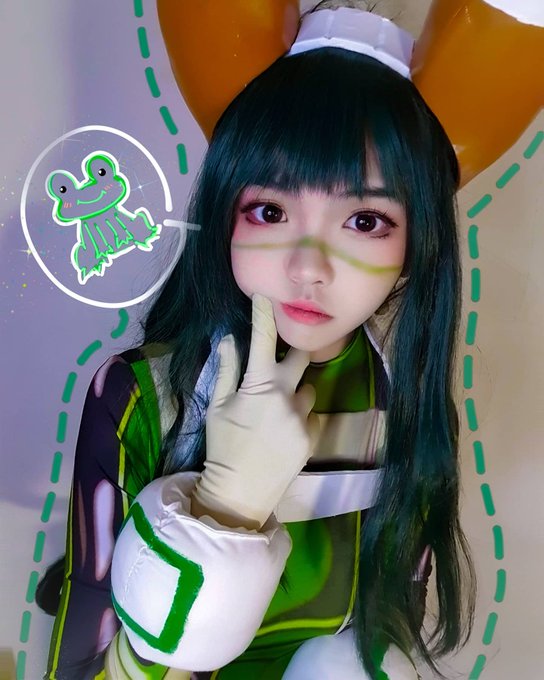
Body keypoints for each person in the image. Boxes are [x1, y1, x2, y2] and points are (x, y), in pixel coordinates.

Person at [46, 6, 475, 679]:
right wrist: (223, 510)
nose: (308, 267)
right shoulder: (140, 397)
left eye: (365, 220)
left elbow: (385, 625)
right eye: (270, 211)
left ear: (416, 246)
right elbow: (80, 666)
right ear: (226, 214)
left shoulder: (409, 409)